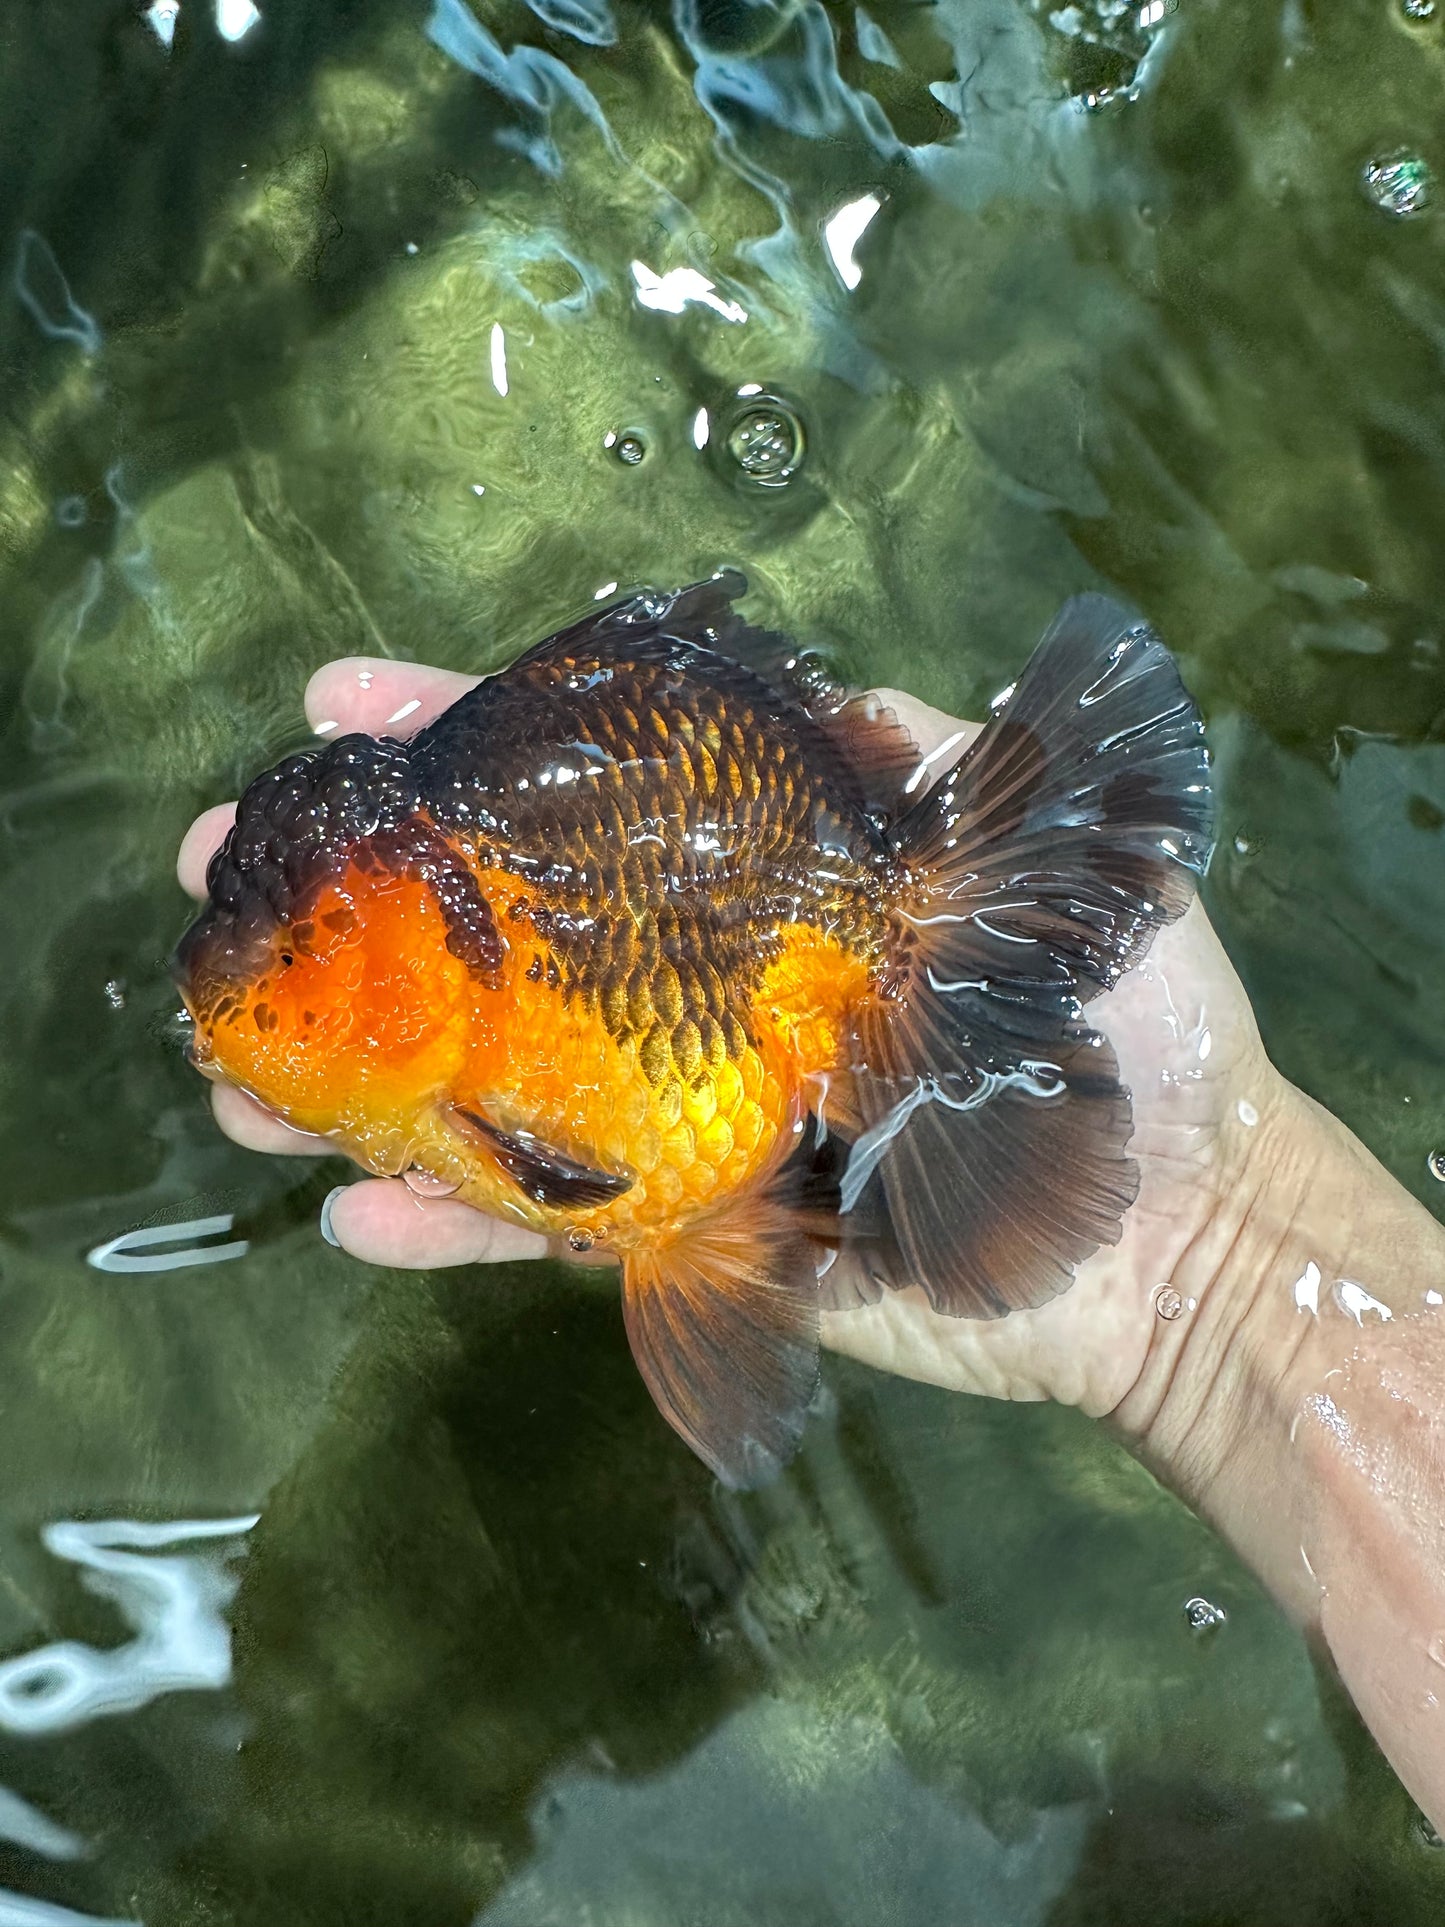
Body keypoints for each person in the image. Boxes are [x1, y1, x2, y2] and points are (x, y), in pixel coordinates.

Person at [178, 651, 1445, 1829]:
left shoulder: (492, 1022)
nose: (251, 1005)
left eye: (295, 957)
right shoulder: (444, 1017)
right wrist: (1225, 1283)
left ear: (413, 958)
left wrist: (1216, 1241)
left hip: (787, 944)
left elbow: (591, 1175)